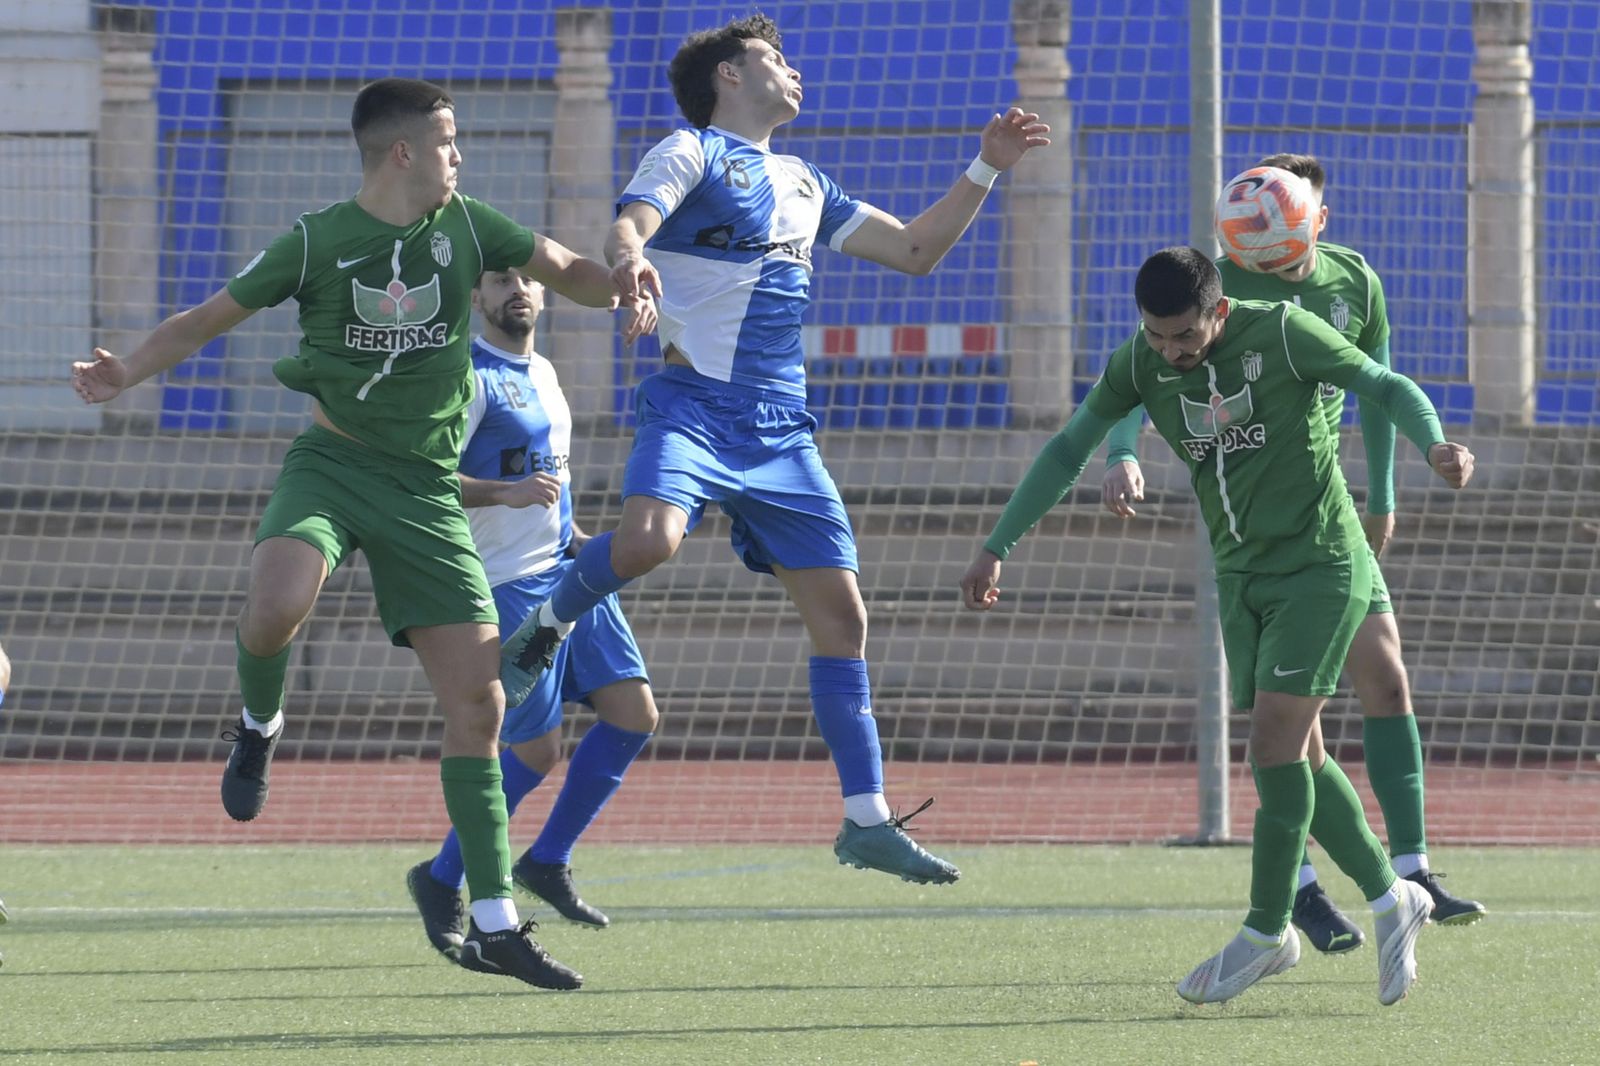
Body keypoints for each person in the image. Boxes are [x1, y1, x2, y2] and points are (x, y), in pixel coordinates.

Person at [71, 77, 654, 991]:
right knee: (275, 609)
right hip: (334, 467)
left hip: (425, 492)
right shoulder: (316, 242)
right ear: (403, 151)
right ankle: (259, 725)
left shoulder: (470, 227)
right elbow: (208, 318)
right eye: (449, 139)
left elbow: (566, 268)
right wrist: (126, 372)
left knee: (482, 707)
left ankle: (494, 922)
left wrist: (619, 280)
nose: (460, 154)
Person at [496, 14, 1048, 885]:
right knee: (647, 543)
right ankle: (546, 627)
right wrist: (632, 259)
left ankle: (866, 819)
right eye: (774, 58)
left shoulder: (804, 181)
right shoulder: (691, 151)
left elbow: (915, 251)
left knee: (844, 618)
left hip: (781, 429)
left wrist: (986, 168)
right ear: (728, 75)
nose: (793, 70)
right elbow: (630, 224)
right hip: (694, 407)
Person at [962, 247, 1476, 1006]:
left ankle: (1268, 932)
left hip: (1322, 563)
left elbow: (1383, 382)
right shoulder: (1141, 361)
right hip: (1240, 576)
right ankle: (1392, 895)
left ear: (1219, 311)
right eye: (1156, 334)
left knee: (1272, 744)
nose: (1170, 351)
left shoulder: (1286, 333)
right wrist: (995, 546)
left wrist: (1433, 443)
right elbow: (1070, 447)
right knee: (1301, 754)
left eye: (1184, 336)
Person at [1098, 155, 1485, 951]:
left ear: (1317, 218)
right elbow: (1137, 374)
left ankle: (1411, 872)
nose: (1265, 247)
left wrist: (1383, 495)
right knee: (1290, 729)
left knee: (1385, 677)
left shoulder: (1354, 281)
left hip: (1330, 507)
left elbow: (1379, 386)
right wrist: (1122, 450)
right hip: (1261, 519)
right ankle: (1302, 886)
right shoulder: (1221, 293)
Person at [407, 270, 659, 956]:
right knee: (535, 750)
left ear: (545, 295)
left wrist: (578, 540)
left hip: (565, 573)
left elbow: (554, 474)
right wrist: (504, 493)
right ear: (475, 298)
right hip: (507, 585)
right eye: (498, 281)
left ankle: (547, 861)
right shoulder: (468, 376)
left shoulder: (544, 370)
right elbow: (423, 477)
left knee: (633, 714)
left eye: (527, 278)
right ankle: (440, 877)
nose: (516, 288)